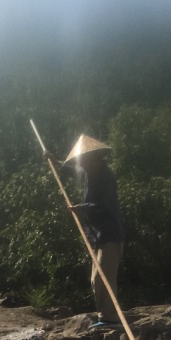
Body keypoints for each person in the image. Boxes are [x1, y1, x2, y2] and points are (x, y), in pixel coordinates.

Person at [62, 135, 125, 327]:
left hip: (110, 234)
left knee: (103, 277)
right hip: (96, 235)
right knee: (95, 280)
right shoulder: (88, 172)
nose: (84, 165)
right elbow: (73, 171)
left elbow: (104, 205)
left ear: (96, 158)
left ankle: (110, 318)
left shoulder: (106, 177)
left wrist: (82, 207)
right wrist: (54, 160)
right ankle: (104, 316)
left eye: (87, 161)